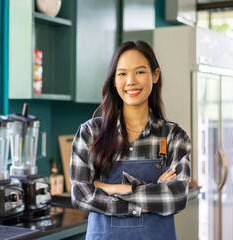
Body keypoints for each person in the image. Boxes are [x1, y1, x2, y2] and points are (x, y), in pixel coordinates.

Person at [69, 40, 191, 240]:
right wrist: (148, 198)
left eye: (140, 72)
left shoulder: (173, 136)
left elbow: (176, 197)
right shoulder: (90, 133)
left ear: (155, 75)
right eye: (122, 73)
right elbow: (81, 197)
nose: (131, 81)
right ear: (114, 81)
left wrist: (111, 188)